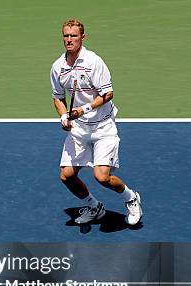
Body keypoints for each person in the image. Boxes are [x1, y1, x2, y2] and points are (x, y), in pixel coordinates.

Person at [50, 19, 142, 225]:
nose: (69, 39)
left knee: (102, 177)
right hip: (79, 129)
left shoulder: (94, 62)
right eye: (66, 35)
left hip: (102, 126)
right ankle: (94, 206)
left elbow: (107, 94)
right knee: (66, 176)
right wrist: (64, 116)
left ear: (83, 37)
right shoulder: (58, 67)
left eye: (73, 36)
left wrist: (83, 110)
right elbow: (58, 97)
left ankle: (131, 197)